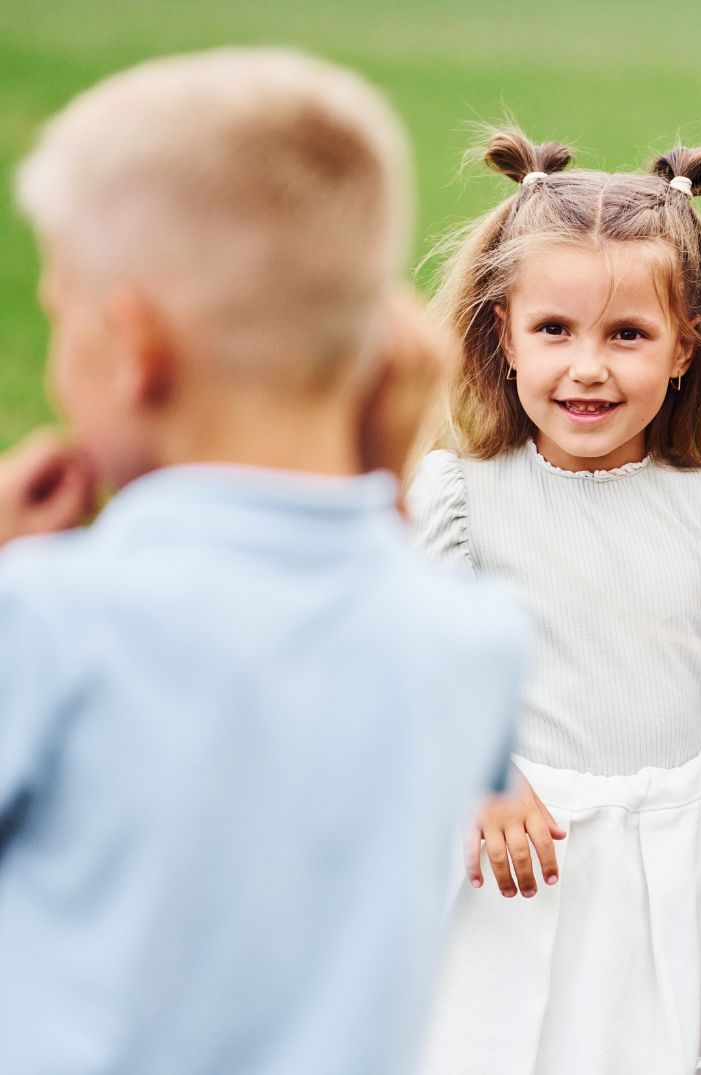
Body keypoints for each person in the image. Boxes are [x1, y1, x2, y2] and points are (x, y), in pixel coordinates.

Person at [0, 48, 529, 1075]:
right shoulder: (476, 639)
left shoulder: (49, 617)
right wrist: (376, 463)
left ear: (133, 347)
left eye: (59, 312)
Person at [410, 129, 701, 1074]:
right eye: (554, 331)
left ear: (683, 345)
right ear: (502, 333)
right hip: (507, 868)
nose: (588, 367)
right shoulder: (460, 496)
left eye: (627, 335)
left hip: (664, 880)